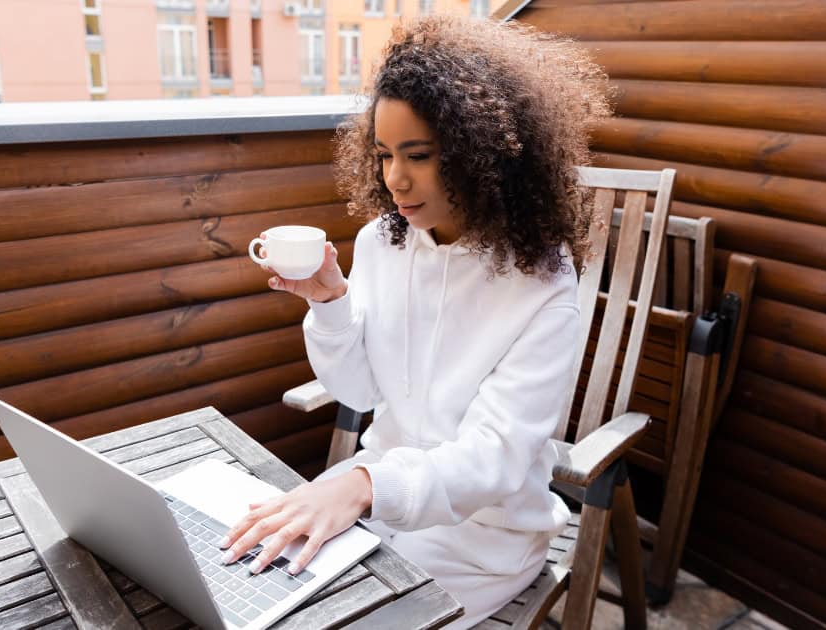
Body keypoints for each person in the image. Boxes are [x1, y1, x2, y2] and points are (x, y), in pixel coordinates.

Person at [221, 15, 609, 628]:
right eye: (383, 155)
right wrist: (329, 302)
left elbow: (496, 459)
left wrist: (363, 485)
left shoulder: (541, 281)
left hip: (483, 540)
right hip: (376, 497)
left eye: (419, 156)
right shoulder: (384, 241)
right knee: (247, 577)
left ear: (483, 153)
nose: (394, 179)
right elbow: (359, 391)